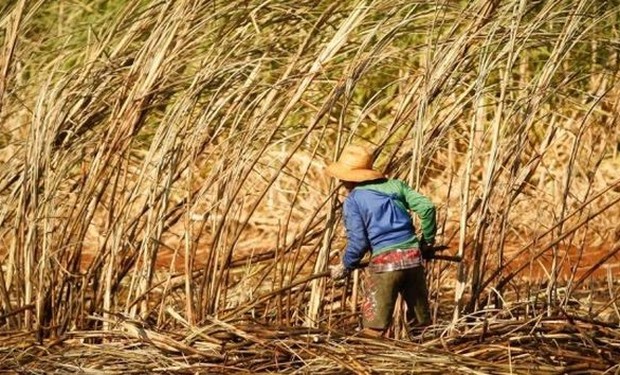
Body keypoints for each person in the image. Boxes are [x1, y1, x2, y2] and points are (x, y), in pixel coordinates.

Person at [325, 144, 437, 338]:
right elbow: (427, 208)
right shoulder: (396, 186)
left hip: (386, 266)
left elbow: (359, 241)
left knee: (373, 329)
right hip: (413, 260)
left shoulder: (353, 200)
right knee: (422, 325)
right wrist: (426, 242)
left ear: (348, 178)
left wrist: (345, 266)